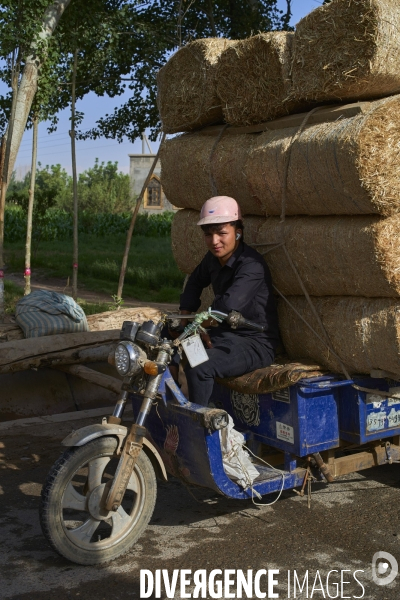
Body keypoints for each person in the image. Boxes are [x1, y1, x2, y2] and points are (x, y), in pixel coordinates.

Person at [173, 195, 280, 406]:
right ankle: (173, 402)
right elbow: (194, 282)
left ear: (238, 233)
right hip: (223, 336)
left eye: (222, 233)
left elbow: (226, 308)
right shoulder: (212, 259)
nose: (214, 241)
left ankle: (200, 425)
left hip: (255, 342)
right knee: (167, 342)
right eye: (208, 234)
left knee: (200, 367)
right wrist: (184, 318)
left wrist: (196, 327)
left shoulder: (252, 266)